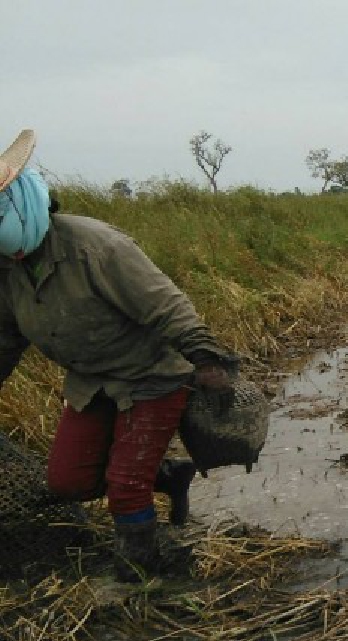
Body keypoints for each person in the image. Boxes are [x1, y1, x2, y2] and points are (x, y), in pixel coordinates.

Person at [0, 130, 239, 582]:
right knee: (67, 481)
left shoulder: (95, 247)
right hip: (92, 382)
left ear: (19, 201)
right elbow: (5, 337)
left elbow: (166, 305)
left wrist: (207, 360)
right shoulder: (8, 271)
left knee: (126, 489)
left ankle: (141, 574)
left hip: (151, 375)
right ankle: (169, 477)